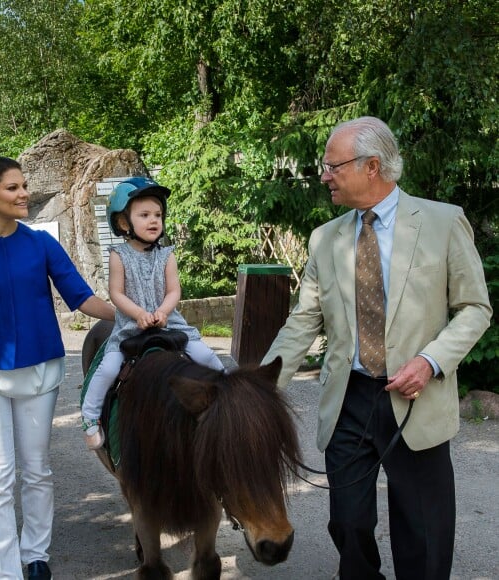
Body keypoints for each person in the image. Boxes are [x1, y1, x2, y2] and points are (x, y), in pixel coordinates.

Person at [262, 117, 492, 580]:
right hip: (348, 398)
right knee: (346, 523)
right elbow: (303, 320)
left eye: (332, 166)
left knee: (423, 534)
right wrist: (257, 385)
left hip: (416, 396)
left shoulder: (443, 222)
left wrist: (430, 362)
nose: (324, 175)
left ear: (372, 166)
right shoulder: (325, 239)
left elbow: (475, 309)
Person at [0, 157, 116, 580]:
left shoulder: (41, 244)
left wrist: (129, 316)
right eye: (13, 188)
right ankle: (3, 573)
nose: (24, 194)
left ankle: (35, 556)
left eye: (24, 186)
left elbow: (81, 297)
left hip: (39, 376)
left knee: (36, 469)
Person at [81, 176, 224, 449]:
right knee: (108, 368)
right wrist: (138, 314)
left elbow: (174, 291)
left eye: (157, 214)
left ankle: (229, 398)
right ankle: (89, 418)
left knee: (206, 356)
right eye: (144, 215)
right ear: (124, 223)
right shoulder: (118, 255)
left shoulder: (167, 254)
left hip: (169, 324)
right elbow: (117, 293)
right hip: (130, 327)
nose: (153, 220)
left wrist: (162, 311)